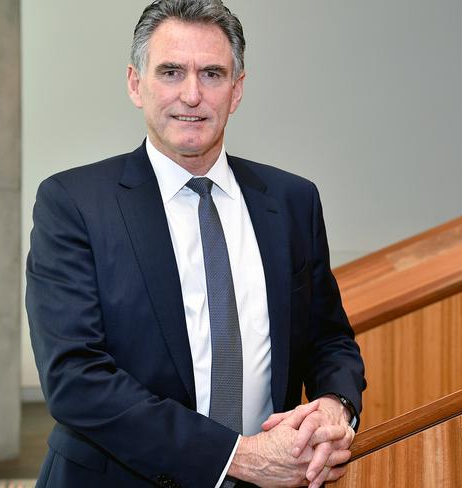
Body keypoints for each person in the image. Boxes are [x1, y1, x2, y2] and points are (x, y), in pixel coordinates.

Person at [26, 1, 366, 487]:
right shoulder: (73, 203)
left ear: (237, 90)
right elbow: (74, 379)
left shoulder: (292, 202)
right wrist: (238, 457)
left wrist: (336, 406)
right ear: (135, 83)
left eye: (212, 73)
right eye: (170, 72)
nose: (192, 95)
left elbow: (329, 339)